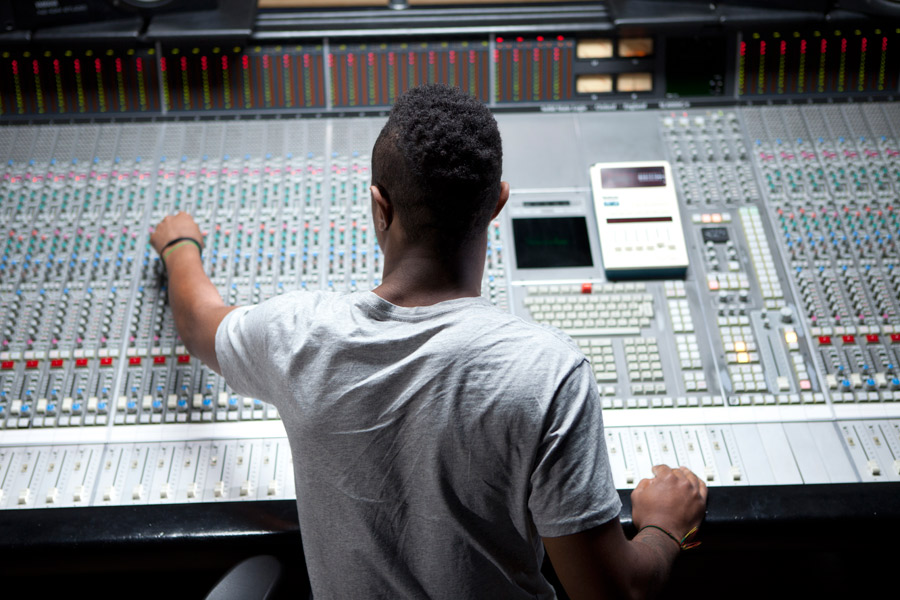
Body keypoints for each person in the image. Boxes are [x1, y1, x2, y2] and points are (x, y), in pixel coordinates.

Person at [151, 84, 707, 599]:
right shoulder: (550, 374)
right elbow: (615, 592)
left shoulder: (295, 333)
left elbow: (200, 323)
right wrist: (665, 526)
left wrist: (180, 247)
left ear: (380, 205)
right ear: (497, 202)